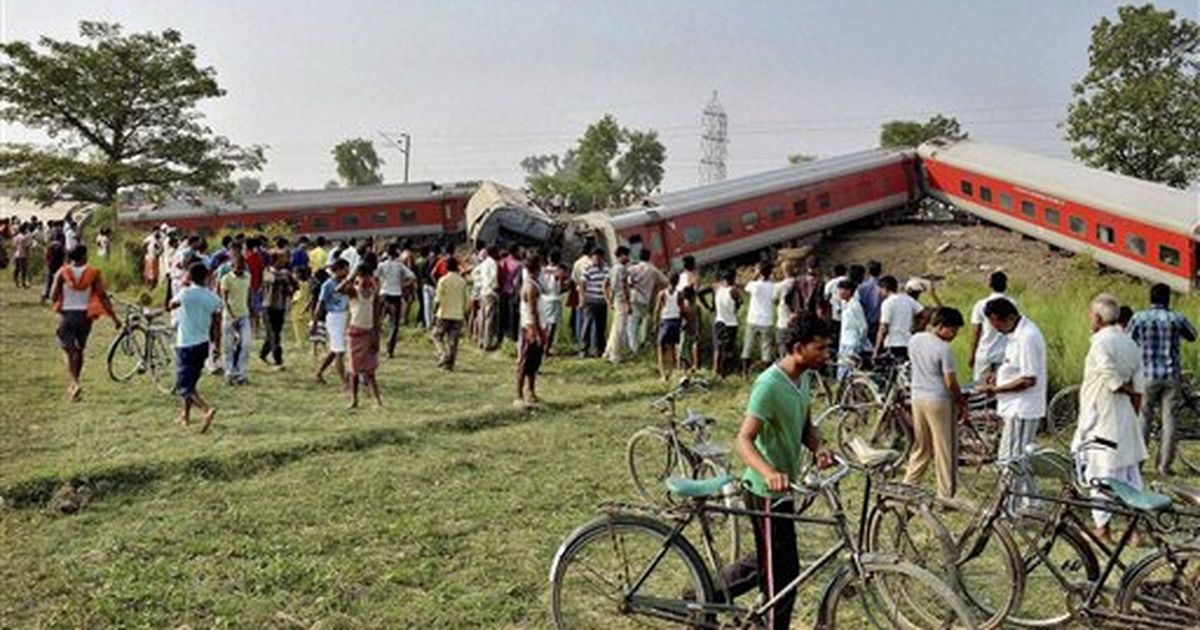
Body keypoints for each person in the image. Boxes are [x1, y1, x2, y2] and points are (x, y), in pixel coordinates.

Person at [724, 316, 835, 630]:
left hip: (786, 488)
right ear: (798, 349)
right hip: (765, 490)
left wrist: (819, 448)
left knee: (769, 563)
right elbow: (743, 440)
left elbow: (804, 426)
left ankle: (706, 590)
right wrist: (769, 472)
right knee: (782, 578)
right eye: (820, 348)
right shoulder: (769, 384)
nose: (825, 354)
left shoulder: (805, 378)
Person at [1073, 294, 1147, 544]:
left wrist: (1123, 389)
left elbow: (1113, 381)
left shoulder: (1101, 344)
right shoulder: (1130, 344)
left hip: (1102, 417)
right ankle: (1134, 529)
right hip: (1125, 415)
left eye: (1090, 315)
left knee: (1100, 474)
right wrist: (1132, 415)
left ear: (1097, 317)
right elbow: (1138, 389)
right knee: (1129, 475)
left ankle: (1102, 529)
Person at [978, 297, 1047, 511]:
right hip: (1014, 406)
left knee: (1010, 460)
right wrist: (998, 379)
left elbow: (1028, 379)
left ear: (1005, 317)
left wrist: (995, 389)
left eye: (995, 323)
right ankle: (1032, 502)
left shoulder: (1027, 336)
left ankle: (1010, 507)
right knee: (1017, 458)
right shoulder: (1014, 335)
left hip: (1022, 408)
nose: (994, 328)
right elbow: (1014, 369)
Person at [1128, 283, 1197, 476]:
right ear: (1168, 299)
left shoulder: (1139, 318)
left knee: (1144, 418)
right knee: (1170, 421)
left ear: (1150, 298)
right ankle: (1164, 466)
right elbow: (1193, 336)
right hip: (1170, 376)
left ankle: (1138, 464)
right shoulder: (1177, 319)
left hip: (1147, 376)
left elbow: (1127, 340)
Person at [904, 307, 970, 502]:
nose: (955, 335)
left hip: (917, 397)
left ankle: (908, 484)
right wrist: (961, 403)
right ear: (941, 327)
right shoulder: (944, 349)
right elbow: (950, 382)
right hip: (938, 401)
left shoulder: (915, 340)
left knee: (921, 446)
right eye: (953, 330)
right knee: (945, 449)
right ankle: (946, 495)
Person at [49, 244, 120, 401]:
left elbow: (53, 296)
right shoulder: (93, 274)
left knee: (69, 351)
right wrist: (114, 317)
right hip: (85, 316)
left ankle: (74, 382)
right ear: (83, 256)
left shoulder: (62, 272)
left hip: (67, 315)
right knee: (79, 350)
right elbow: (103, 296)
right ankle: (76, 382)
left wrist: (60, 307)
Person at [167, 263, 222, 432]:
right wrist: (217, 345)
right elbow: (217, 324)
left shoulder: (185, 294)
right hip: (203, 343)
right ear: (206, 277)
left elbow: (170, 305)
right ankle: (185, 415)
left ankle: (206, 409)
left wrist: (183, 285)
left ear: (190, 276)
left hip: (186, 344)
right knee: (191, 382)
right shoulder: (213, 298)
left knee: (183, 385)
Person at [340, 264, 382, 409]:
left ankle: (377, 400)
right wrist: (350, 277)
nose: (366, 281)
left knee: (370, 371)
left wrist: (376, 335)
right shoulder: (354, 292)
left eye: (368, 278)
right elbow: (338, 289)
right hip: (355, 334)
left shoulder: (373, 294)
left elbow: (376, 317)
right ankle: (354, 399)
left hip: (368, 333)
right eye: (363, 278)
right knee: (354, 370)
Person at [969, 271, 1016, 383]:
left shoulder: (980, 304)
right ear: (1005, 284)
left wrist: (972, 354)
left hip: (984, 352)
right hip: (1004, 353)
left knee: (980, 387)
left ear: (990, 285)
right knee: (1001, 384)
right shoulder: (1012, 303)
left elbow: (976, 332)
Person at [314, 259, 351, 386]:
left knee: (335, 350)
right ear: (339, 270)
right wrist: (315, 322)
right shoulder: (328, 284)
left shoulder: (344, 283)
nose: (348, 272)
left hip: (344, 316)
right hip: (334, 317)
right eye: (346, 269)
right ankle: (344, 382)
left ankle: (319, 372)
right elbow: (320, 304)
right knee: (339, 351)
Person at [219, 250, 253, 385]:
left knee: (245, 345)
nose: (240, 270)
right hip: (229, 317)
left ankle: (241, 373)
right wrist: (232, 316)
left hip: (244, 315)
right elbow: (224, 299)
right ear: (232, 266)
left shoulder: (247, 277)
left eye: (242, 267)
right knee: (228, 347)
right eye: (237, 267)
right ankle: (229, 373)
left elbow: (248, 294)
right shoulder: (226, 278)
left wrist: (250, 310)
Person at [377, 244, 416, 358]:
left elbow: (375, 276)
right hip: (395, 296)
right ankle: (390, 350)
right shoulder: (399, 266)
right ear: (396, 254)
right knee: (394, 325)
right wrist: (402, 285)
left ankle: (375, 346)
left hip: (384, 295)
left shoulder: (382, 265)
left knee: (378, 322)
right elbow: (413, 277)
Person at [517, 254, 546, 405]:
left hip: (533, 325)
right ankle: (520, 395)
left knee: (533, 364)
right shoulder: (531, 287)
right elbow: (533, 311)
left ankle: (531, 392)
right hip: (531, 327)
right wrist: (537, 332)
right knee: (525, 363)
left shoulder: (531, 283)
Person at [260, 252, 298, 368]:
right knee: (274, 334)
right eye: (282, 259)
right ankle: (279, 360)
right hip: (268, 307)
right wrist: (287, 279)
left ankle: (263, 353)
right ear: (275, 260)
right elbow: (273, 280)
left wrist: (291, 288)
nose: (284, 261)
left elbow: (294, 286)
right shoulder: (267, 271)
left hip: (281, 307)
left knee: (274, 334)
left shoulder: (286, 273)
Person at [874, 275, 923, 362]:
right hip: (907, 342)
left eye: (880, 289)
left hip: (893, 343)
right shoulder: (907, 299)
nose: (880, 292)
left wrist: (877, 349)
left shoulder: (887, 303)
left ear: (885, 288)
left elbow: (883, 328)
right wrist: (918, 327)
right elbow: (925, 313)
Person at [703, 268, 742, 377]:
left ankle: (716, 371)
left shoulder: (716, 287)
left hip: (719, 321)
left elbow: (700, 293)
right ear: (733, 278)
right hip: (731, 323)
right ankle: (725, 371)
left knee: (718, 348)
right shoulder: (733, 290)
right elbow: (740, 302)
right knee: (728, 349)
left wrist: (709, 307)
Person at [433, 256, 469, 370]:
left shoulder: (443, 280)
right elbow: (467, 300)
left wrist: (434, 311)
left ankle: (443, 354)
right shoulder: (462, 282)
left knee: (437, 336)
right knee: (453, 341)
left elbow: (438, 299)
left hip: (444, 313)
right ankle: (450, 365)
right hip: (457, 314)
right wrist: (464, 312)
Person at [627, 249, 665, 354]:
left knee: (632, 324)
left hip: (634, 297)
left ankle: (634, 348)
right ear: (649, 257)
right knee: (645, 320)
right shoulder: (652, 269)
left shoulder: (632, 268)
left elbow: (626, 281)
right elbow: (665, 281)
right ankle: (644, 342)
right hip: (645, 299)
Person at [742, 261, 776, 377]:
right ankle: (766, 373)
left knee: (748, 346)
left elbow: (746, 287)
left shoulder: (754, 285)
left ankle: (745, 373)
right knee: (766, 348)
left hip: (753, 319)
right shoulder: (773, 286)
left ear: (760, 272)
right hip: (767, 320)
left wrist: (755, 274)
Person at [602, 246, 632, 364]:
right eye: (626, 255)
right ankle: (615, 354)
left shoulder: (613, 268)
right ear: (621, 255)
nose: (628, 258)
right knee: (619, 328)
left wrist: (608, 299)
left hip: (616, 299)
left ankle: (608, 351)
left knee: (615, 327)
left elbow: (605, 284)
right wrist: (628, 302)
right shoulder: (622, 269)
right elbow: (624, 286)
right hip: (622, 300)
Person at [578, 247, 610, 358]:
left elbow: (608, 284)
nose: (597, 259)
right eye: (594, 257)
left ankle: (600, 349)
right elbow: (582, 284)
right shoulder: (588, 269)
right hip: (590, 301)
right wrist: (582, 298)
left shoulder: (607, 269)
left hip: (602, 301)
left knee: (601, 327)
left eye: (599, 257)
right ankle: (583, 349)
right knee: (587, 325)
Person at [835, 279, 868, 380]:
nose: (839, 293)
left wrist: (861, 342)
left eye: (842, 290)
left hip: (852, 342)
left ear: (849, 291)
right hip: (844, 341)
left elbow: (863, 326)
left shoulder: (855, 306)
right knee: (842, 368)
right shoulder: (845, 304)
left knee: (849, 371)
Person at [655, 272, 684, 382]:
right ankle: (672, 371)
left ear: (668, 280)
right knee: (672, 348)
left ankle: (663, 375)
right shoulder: (679, 294)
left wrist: (655, 324)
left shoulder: (662, 293)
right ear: (677, 282)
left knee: (661, 348)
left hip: (665, 321)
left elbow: (657, 310)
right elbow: (681, 309)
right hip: (675, 321)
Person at [538, 252, 565, 356]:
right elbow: (560, 287)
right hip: (554, 299)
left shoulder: (543, 269)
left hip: (543, 299)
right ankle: (546, 348)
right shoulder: (559, 271)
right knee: (552, 326)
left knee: (543, 325)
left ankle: (541, 345)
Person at [475, 246, 500, 350]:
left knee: (482, 316)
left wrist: (480, 284)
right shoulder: (493, 263)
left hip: (483, 292)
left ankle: (480, 340)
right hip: (490, 292)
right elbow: (494, 277)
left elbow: (475, 273)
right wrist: (495, 287)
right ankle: (487, 343)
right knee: (489, 318)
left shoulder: (483, 263)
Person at [773, 261, 798, 358]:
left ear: (783, 271)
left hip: (783, 321)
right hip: (797, 322)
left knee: (783, 349)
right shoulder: (799, 283)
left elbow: (774, 301)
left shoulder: (779, 286)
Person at [857, 260, 883, 342]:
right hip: (880, 320)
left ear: (868, 271)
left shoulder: (862, 287)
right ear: (880, 271)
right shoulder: (884, 286)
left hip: (866, 319)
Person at [42, 231, 66, 304]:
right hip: (59, 265)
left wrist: (46, 263)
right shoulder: (61, 246)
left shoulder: (50, 245)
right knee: (58, 281)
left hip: (50, 265)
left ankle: (45, 294)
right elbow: (64, 256)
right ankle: (57, 295)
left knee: (48, 280)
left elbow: (46, 255)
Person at [11, 224, 31, 288]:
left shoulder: (15, 237)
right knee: (23, 270)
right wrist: (28, 254)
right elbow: (27, 246)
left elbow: (13, 246)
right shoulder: (24, 237)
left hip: (16, 254)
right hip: (23, 255)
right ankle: (23, 282)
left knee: (17, 269)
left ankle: (16, 282)